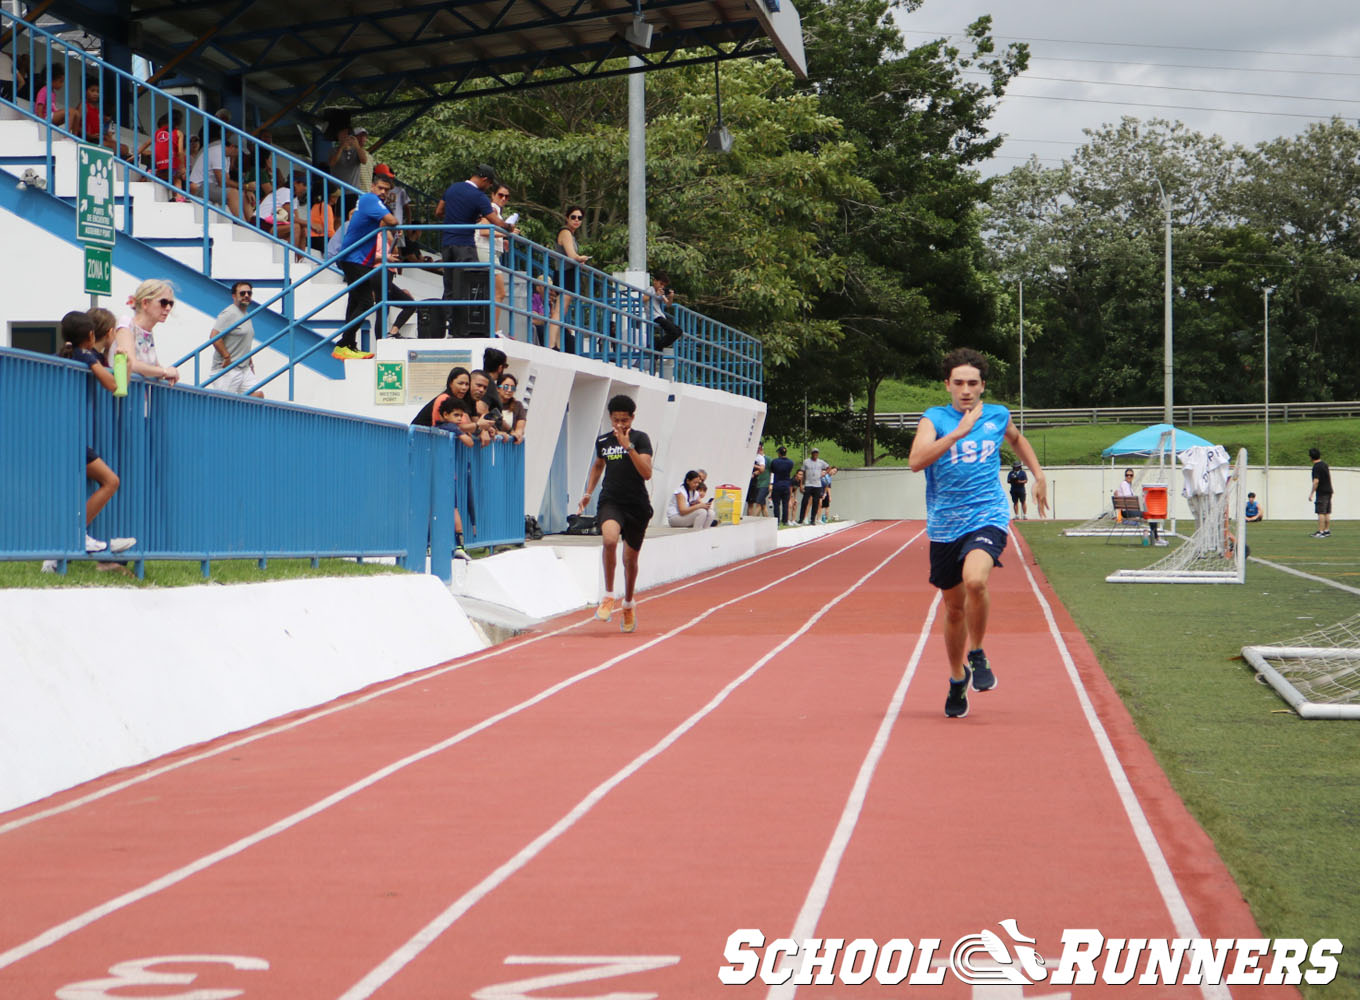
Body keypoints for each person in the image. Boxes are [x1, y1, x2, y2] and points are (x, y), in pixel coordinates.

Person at [908, 347, 1049, 719]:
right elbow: (915, 462)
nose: (966, 390)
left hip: (987, 513)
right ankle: (958, 678)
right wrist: (957, 433)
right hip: (943, 524)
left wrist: (1039, 475)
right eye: (959, 383)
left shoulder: (997, 414)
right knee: (954, 610)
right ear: (947, 385)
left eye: (973, 383)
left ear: (983, 385)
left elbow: (1016, 439)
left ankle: (978, 650)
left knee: (976, 582)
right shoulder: (934, 419)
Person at [55, 311, 136, 562]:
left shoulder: (85, 354)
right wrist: (122, 364)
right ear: (90, 336)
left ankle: (64, 546)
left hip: (67, 432)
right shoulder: (86, 355)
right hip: (71, 434)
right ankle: (76, 534)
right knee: (111, 481)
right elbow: (114, 387)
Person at [578, 394, 653, 633]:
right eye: (616, 419)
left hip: (637, 505)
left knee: (630, 560)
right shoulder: (602, 441)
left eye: (624, 420)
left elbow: (646, 473)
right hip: (611, 500)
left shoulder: (640, 439)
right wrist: (588, 491)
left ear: (632, 417)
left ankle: (629, 603)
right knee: (609, 540)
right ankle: (609, 596)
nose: (620, 424)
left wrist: (627, 446)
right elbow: (599, 465)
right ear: (610, 417)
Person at [334, 173, 411, 358]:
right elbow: (393, 221)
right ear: (373, 187)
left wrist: (385, 256)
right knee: (367, 301)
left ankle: (347, 345)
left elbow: (374, 236)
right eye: (381, 188)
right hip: (353, 259)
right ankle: (344, 343)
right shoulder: (370, 199)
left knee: (355, 301)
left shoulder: (370, 204)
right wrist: (391, 223)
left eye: (386, 190)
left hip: (357, 259)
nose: (383, 192)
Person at [434, 165, 511, 338]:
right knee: (469, 286)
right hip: (465, 245)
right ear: (485, 180)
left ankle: (450, 328)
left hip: (447, 243)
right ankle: (465, 328)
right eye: (489, 185)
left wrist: (459, 215)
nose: (488, 188)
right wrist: (509, 228)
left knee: (450, 286)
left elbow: (438, 212)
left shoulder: (453, 188)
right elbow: (495, 221)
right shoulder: (479, 196)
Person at [114, 279, 181, 383]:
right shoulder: (126, 323)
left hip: (139, 397)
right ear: (145, 303)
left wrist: (168, 373)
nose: (168, 308)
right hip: (120, 395)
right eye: (163, 302)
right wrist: (164, 372)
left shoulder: (147, 332)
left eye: (171, 304)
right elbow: (132, 364)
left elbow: (153, 366)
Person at [209, 281, 264, 397]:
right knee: (225, 405)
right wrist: (226, 356)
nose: (246, 296)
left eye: (249, 293)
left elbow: (244, 342)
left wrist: (250, 363)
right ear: (234, 296)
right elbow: (214, 336)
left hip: (244, 368)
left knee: (257, 395)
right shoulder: (229, 313)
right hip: (227, 369)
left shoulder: (246, 315)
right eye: (242, 293)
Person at [477, 183, 517, 332]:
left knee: (494, 293)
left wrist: (503, 240)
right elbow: (484, 231)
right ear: (493, 195)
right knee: (500, 292)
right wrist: (507, 234)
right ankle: (494, 330)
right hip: (485, 251)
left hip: (491, 252)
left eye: (506, 196)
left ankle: (492, 329)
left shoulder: (497, 213)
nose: (503, 198)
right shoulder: (492, 209)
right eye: (500, 195)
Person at [555, 206, 590, 350]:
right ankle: (552, 344)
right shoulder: (566, 232)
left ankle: (555, 344)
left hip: (567, 273)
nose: (576, 220)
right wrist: (580, 258)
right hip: (565, 273)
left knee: (560, 311)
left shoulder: (570, 234)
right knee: (558, 311)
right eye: (573, 217)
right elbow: (571, 255)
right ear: (567, 218)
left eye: (579, 218)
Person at [188, 130, 241, 217]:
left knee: (243, 194)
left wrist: (245, 190)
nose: (239, 154)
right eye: (239, 150)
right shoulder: (218, 152)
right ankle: (244, 225)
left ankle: (253, 225)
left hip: (211, 186)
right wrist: (245, 186)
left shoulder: (227, 155)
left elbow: (226, 180)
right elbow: (222, 182)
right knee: (233, 193)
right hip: (199, 186)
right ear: (232, 146)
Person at [1115, 467, 1163, 544]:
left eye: (1131, 475)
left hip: (1128, 510)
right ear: (1125, 476)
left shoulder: (1127, 485)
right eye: (1127, 475)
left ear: (1133, 476)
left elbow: (1120, 494)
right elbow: (1129, 499)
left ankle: (1156, 537)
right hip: (1127, 512)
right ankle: (1157, 538)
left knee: (1150, 514)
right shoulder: (1124, 484)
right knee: (1151, 515)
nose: (1129, 477)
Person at [649, 272, 683, 351]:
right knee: (674, 332)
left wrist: (671, 297)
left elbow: (668, 304)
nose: (662, 286)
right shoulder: (650, 289)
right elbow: (643, 299)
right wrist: (655, 294)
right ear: (655, 281)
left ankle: (659, 345)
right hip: (654, 316)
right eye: (661, 284)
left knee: (679, 331)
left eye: (663, 285)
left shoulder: (661, 292)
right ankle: (658, 346)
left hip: (660, 316)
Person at [797, 448, 829, 524]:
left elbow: (828, 467)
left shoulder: (820, 462)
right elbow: (803, 472)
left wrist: (824, 473)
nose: (815, 454)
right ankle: (801, 518)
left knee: (816, 502)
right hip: (808, 484)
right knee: (805, 501)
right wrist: (801, 484)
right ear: (811, 454)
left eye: (816, 453)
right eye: (814, 453)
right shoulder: (806, 462)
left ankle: (812, 519)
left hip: (817, 484)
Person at [495, 372, 528, 443]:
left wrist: (518, 435)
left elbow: (520, 427)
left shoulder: (518, 405)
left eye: (513, 388)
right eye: (506, 387)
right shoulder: (492, 404)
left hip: (509, 447)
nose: (509, 390)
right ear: (498, 388)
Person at [769, 445, 795, 525]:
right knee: (785, 504)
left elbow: (772, 470)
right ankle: (785, 520)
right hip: (786, 484)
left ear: (779, 453)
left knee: (776, 504)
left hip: (777, 484)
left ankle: (777, 521)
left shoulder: (775, 461)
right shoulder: (791, 462)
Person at [1308, 447, 1332, 538]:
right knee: (1327, 512)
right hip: (1329, 490)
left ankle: (1320, 531)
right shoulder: (1324, 464)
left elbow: (1316, 481)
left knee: (1321, 512)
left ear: (1311, 457)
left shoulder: (1316, 467)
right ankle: (1326, 530)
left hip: (1321, 491)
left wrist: (1311, 493)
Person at [747, 443, 771, 518]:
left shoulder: (762, 458)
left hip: (761, 483)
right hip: (751, 482)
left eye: (759, 448)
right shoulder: (748, 455)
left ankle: (753, 519)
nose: (758, 449)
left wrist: (753, 468)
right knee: (755, 503)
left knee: (758, 502)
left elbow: (762, 469)